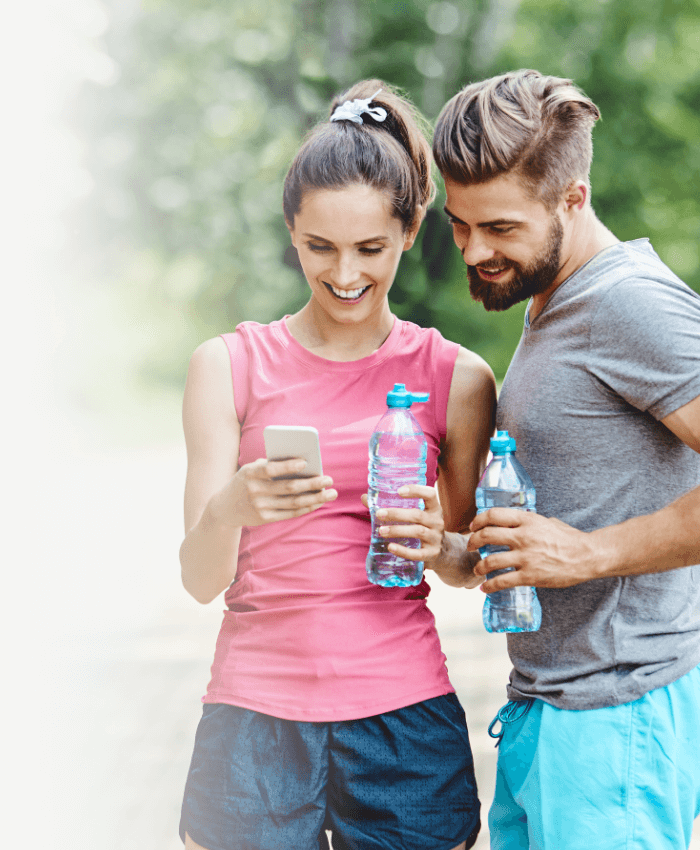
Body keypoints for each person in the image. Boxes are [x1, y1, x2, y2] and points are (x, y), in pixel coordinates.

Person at [177, 79, 496, 850]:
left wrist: (440, 543)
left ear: (411, 230)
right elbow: (198, 579)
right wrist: (232, 508)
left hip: (402, 721)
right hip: (254, 720)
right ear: (292, 230)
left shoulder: (456, 378)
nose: (345, 273)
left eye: (370, 248)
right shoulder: (228, 366)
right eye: (320, 247)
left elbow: (463, 563)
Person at [426, 68, 700, 849]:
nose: (475, 250)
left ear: (572, 198)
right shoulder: (555, 297)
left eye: (501, 228)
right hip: (553, 710)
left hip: (616, 722)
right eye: (460, 223)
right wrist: (452, 550)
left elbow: (576, 544)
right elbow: (567, 515)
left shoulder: (630, 303)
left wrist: (590, 553)